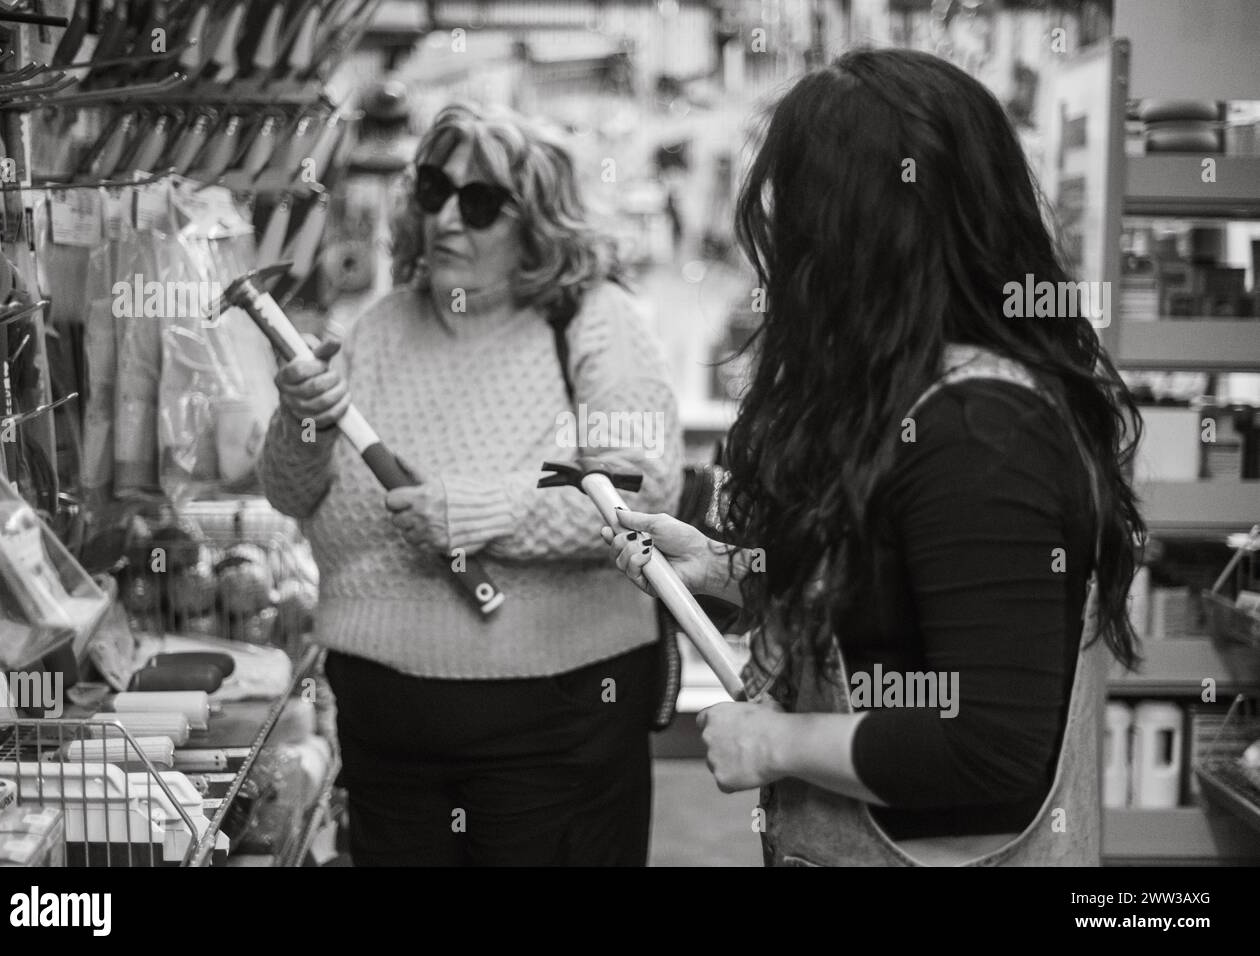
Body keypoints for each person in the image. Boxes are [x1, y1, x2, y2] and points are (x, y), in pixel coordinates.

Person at [603, 48, 1144, 867]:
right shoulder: (915, 396)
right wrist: (730, 568)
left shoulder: (982, 432)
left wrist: (779, 744)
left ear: (861, 232)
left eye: (801, 212)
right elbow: (897, 602)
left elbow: (991, 747)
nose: (781, 246)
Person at [259, 102, 682, 866]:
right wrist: (302, 419)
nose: (449, 219)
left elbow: (642, 491)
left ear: (538, 222)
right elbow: (293, 496)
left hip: (553, 730)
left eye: (481, 202)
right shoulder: (382, 325)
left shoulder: (595, 319)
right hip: (384, 733)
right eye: (432, 191)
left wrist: (478, 512)